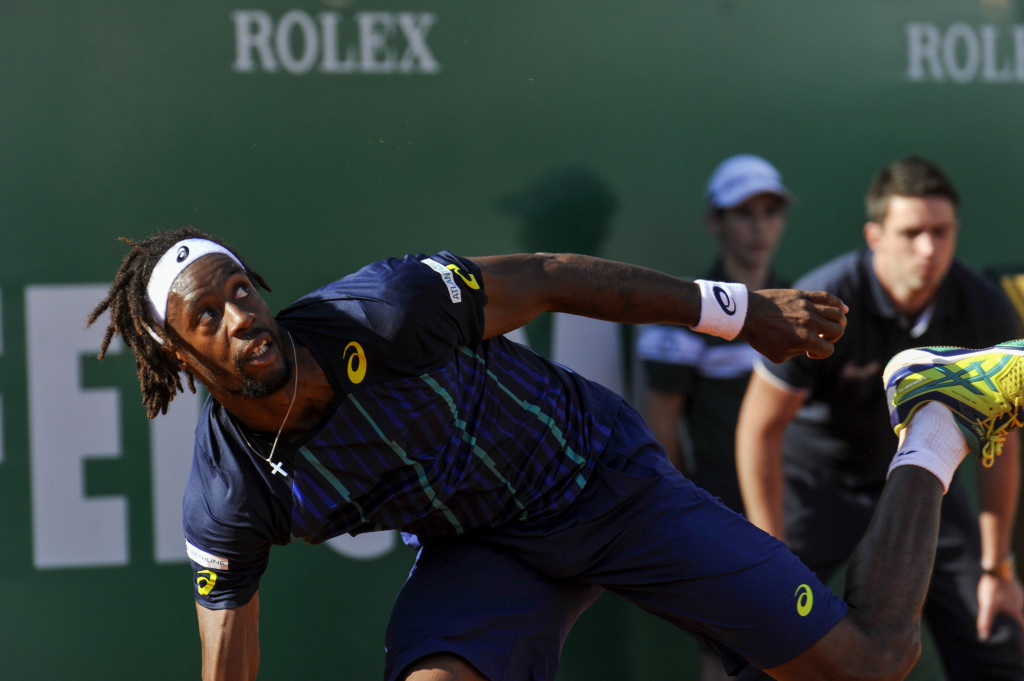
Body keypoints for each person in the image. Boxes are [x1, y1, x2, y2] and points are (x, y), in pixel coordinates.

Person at [88, 224, 1008, 681]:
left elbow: (556, 279)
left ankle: (931, 418)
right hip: (481, 550)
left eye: (241, 289)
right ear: (180, 355)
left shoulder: (385, 310)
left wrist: (742, 311)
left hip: (602, 481)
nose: (240, 314)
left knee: (874, 660)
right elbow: (227, 659)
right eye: (207, 315)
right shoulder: (229, 493)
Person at [735, 156, 1024, 680]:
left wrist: (997, 566)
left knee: (996, 633)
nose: (929, 249)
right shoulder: (824, 303)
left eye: (941, 232)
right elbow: (759, 429)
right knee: (769, 640)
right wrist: (769, 550)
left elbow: (998, 448)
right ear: (875, 235)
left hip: (926, 483)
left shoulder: (983, 308)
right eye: (911, 232)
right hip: (816, 486)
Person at [636, 154, 791, 513]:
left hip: (799, 493)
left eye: (770, 212)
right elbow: (661, 422)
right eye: (744, 213)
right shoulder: (683, 316)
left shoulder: (802, 304)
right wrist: (684, 507)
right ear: (713, 221)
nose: (759, 227)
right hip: (720, 498)